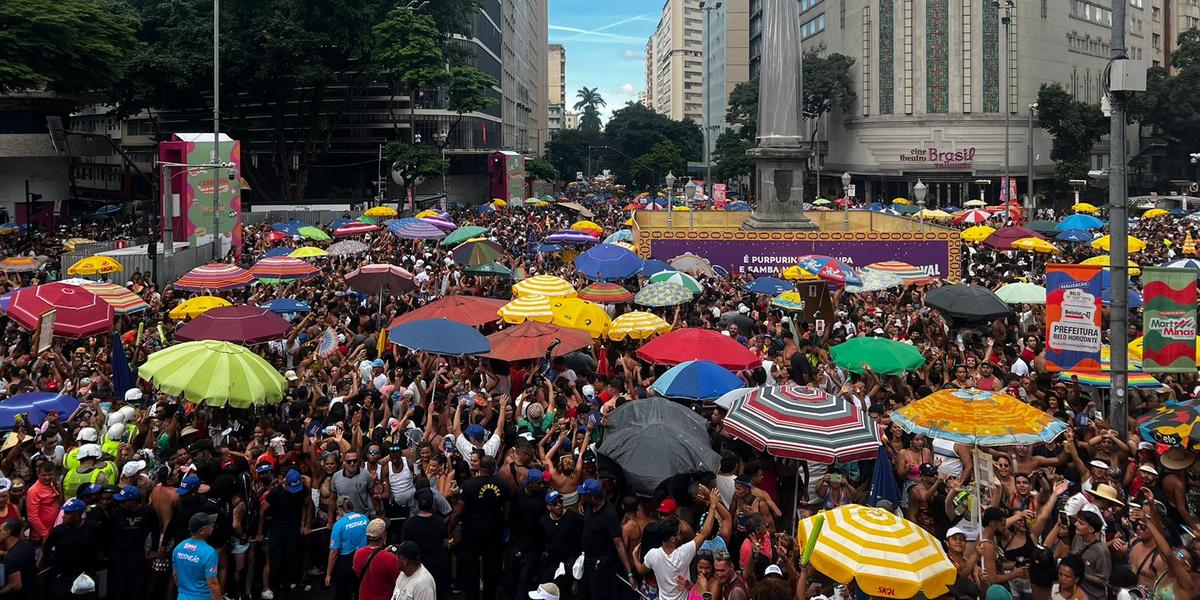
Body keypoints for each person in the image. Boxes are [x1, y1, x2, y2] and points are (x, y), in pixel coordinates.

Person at [632, 488, 719, 600]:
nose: (681, 536)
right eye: (679, 533)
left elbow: (640, 569)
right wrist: (713, 506)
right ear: (673, 539)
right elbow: (705, 532)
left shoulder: (652, 555)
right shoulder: (683, 553)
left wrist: (634, 556)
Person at [451, 454, 510, 600]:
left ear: (480, 467)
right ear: (493, 468)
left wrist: (451, 527)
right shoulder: (503, 484)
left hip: (472, 534)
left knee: (471, 569)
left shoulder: (469, 485)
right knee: (491, 569)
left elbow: (458, 511)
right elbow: (507, 510)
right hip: (494, 533)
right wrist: (503, 525)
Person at [578, 479, 633, 600]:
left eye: (584, 494)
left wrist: (629, 573)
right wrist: (581, 503)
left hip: (601, 565)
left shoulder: (609, 514)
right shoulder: (589, 504)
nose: (581, 496)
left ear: (592, 497)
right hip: (587, 559)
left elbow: (619, 544)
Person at [39, 498, 101, 600]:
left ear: (76, 516)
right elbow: (46, 550)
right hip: (63, 579)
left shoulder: (92, 528)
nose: (63, 516)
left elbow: (99, 548)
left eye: (67, 513)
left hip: (86, 577)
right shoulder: (58, 531)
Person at [108, 485, 161, 600]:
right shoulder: (117, 512)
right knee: (120, 587)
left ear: (132, 501)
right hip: (119, 554)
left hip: (138, 554)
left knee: (137, 586)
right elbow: (111, 533)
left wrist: (154, 550)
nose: (121, 503)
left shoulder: (148, 512)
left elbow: (155, 531)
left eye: (124, 501)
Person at [326, 495, 369, 600]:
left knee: (343, 593)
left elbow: (334, 552)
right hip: (364, 560)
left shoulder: (339, 525)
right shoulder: (365, 518)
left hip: (346, 563)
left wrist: (328, 574)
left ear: (340, 509)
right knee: (361, 590)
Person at [173, 512, 221, 600]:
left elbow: (175, 575)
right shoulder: (209, 553)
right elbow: (212, 583)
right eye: (210, 524)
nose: (212, 525)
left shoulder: (178, 548)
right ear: (201, 530)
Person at [352, 518, 399, 600]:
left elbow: (358, 573)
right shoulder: (390, 558)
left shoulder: (358, 553)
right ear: (383, 536)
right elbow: (398, 580)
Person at [0, 519, 37, 600]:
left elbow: (15, 585)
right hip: (32, 592)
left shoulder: (12, 557)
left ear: (8, 533)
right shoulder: (26, 545)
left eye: (0, 531)